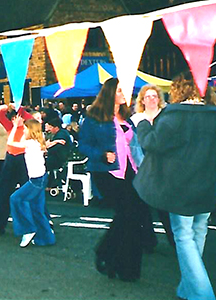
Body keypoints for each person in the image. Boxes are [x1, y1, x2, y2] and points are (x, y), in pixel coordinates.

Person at [133, 71, 216, 300]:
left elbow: (152, 143)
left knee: (183, 236)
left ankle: (202, 294)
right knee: (199, 232)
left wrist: (143, 124)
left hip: (178, 188)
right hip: (207, 186)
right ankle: (187, 287)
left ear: (177, 90)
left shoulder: (173, 116)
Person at [78, 78, 155, 282]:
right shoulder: (94, 118)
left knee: (132, 216)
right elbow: (83, 145)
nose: (124, 94)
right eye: (120, 90)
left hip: (130, 171)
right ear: (110, 93)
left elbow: (135, 146)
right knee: (127, 214)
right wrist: (102, 154)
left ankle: (117, 260)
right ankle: (112, 256)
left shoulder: (126, 118)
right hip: (108, 172)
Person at [130, 84, 175, 247]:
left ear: (159, 98)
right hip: (142, 169)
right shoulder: (135, 119)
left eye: (154, 96)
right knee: (143, 207)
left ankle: (174, 241)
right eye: (147, 96)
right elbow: (133, 146)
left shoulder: (166, 116)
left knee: (165, 208)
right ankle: (148, 241)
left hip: (164, 168)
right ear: (142, 100)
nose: (151, 99)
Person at [8, 118, 55, 248]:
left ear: (30, 130)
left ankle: (28, 229)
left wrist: (14, 127)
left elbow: (10, 142)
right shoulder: (37, 141)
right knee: (37, 209)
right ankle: (46, 238)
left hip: (36, 180)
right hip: (41, 178)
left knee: (16, 199)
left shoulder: (30, 143)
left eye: (25, 128)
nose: (23, 130)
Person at [0, 105, 33, 236]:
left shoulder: (27, 128)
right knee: (4, 192)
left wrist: (20, 109)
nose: (15, 120)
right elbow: (0, 116)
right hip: (10, 160)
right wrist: (7, 107)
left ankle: (41, 220)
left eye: (18, 118)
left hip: (23, 160)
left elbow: (31, 119)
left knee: (29, 191)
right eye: (13, 118)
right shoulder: (9, 127)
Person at [44, 117, 71, 189]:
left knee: (43, 164)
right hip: (58, 157)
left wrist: (47, 151)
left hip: (61, 159)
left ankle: (47, 184)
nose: (49, 129)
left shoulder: (61, 135)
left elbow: (55, 148)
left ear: (56, 127)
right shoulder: (62, 133)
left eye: (51, 127)